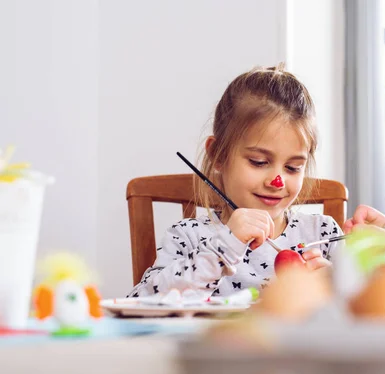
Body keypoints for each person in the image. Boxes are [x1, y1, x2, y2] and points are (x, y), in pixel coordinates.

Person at [128, 64, 341, 298]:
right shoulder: (189, 236)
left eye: (293, 167)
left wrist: (334, 291)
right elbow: (139, 302)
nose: (277, 181)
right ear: (218, 155)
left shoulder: (323, 235)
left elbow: (372, 312)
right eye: (259, 162)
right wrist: (223, 248)